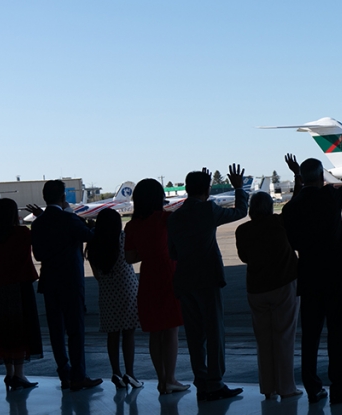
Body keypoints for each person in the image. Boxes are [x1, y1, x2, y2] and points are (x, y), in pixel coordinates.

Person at [282, 118, 342, 405]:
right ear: (322, 176)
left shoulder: (291, 208)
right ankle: (340, 388)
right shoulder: (330, 198)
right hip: (335, 273)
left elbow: (293, 232)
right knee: (338, 332)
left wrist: (297, 178)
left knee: (310, 336)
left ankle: (312, 387)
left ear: (302, 178)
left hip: (308, 274)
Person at [167, 164, 248, 402]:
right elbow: (241, 211)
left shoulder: (175, 217)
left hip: (184, 280)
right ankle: (215, 382)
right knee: (214, 332)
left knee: (194, 336)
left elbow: (172, 253)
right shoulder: (209, 210)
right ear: (208, 190)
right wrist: (239, 189)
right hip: (208, 279)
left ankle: (201, 382)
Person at [28, 180, 101, 391]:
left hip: (49, 282)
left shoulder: (38, 223)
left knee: (56, 331)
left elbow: (38, 254)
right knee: (75, 330)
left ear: (44, 198)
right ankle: (79, 375)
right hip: (71, 281)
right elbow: (89, 236)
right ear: (63, 198)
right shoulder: (68, 219)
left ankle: (64, 374)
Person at [235, 190, 302, 400]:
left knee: (263, 340)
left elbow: (244, 257)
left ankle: (267, 387)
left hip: (256, 288)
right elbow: (294, 208)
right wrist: (298, 181)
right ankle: (286, 387)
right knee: (284, 337)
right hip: (283, 284)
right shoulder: (279, 223)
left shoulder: (242, 230)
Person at [123, 178, 188, 394]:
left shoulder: (132, 226)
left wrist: (148, 251)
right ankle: (170, 378)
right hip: (169, 276)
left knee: (155, 332)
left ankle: (161, 380)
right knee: (171, 330)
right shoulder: (166, 219)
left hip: (148, 278)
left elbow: (130, 257)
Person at [0, 198, 44, 389]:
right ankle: (19, 375)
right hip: (19, 287)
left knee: (2, 332)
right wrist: (41, 218)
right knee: (21, 331)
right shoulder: (21, 233)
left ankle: (9, 374)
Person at [87, 208, 142, 390]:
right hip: (127, 289)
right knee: (129, 333)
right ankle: (130, 373)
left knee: (113, 334)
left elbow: (96, 275)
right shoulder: (122, 238)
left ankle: (116, 372)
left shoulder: (94, 244)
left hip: (107, 292)